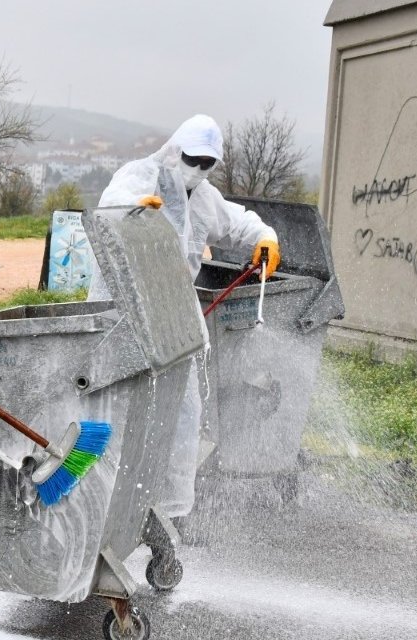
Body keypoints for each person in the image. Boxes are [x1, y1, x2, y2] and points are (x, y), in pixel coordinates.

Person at [88, 114, 281, 524]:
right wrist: (133, 212)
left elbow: (239, 221)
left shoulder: (207, 200)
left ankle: (166, 511)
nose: (197, 168)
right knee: (112, 408)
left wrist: (266, 238)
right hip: (121, 310)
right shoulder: (140, 176)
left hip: (172, 315)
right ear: (176, 149)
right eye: (192, 157)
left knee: (181, 409)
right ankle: (97, 496)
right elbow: (110, 208)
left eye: (207, 162)